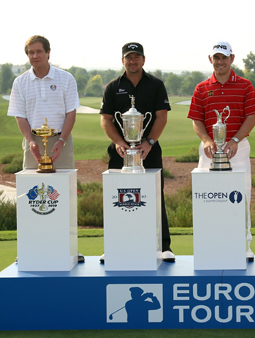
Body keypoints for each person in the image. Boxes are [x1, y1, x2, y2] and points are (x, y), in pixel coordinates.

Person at [7, 35, 84, 262]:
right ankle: (31, 248)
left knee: (64, 194)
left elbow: (71, 112)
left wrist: (61, 141)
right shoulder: (20, 81)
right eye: (31, 52)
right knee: (32, 196)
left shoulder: (65, 78)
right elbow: (20, 116)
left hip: (61, 141)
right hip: (32, 143)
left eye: (39, 51)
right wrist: (30, 141)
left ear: (48, 52)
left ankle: (70, 248)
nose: (35, 56)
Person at [100, 42, 175, 263]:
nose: (133, 61)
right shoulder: (113, 86)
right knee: (116, 198)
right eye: (128, 57)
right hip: (120, 152)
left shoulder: (156, 84)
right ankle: (113, 246)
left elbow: (161, 116)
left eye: (137, 57)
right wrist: (119, 142)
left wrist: (150, 141)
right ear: (122, 60)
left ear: (143, 59)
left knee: (155, 197)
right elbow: (105, 119)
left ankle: (164, 247)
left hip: (149, 150)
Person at [187, 41, 255, 260]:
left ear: (232, 59)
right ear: (210, 59)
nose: (220, 62)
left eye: (224, 57)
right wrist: (206, 140)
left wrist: (236, 139)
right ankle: (209, 242)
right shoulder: (202, 88)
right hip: (209, 150)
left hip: (237, 147)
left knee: (242, 197)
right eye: (216, 58)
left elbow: (251, 117)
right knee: (208, 196)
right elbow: (196, 120)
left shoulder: (245, 86)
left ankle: (244, 245)